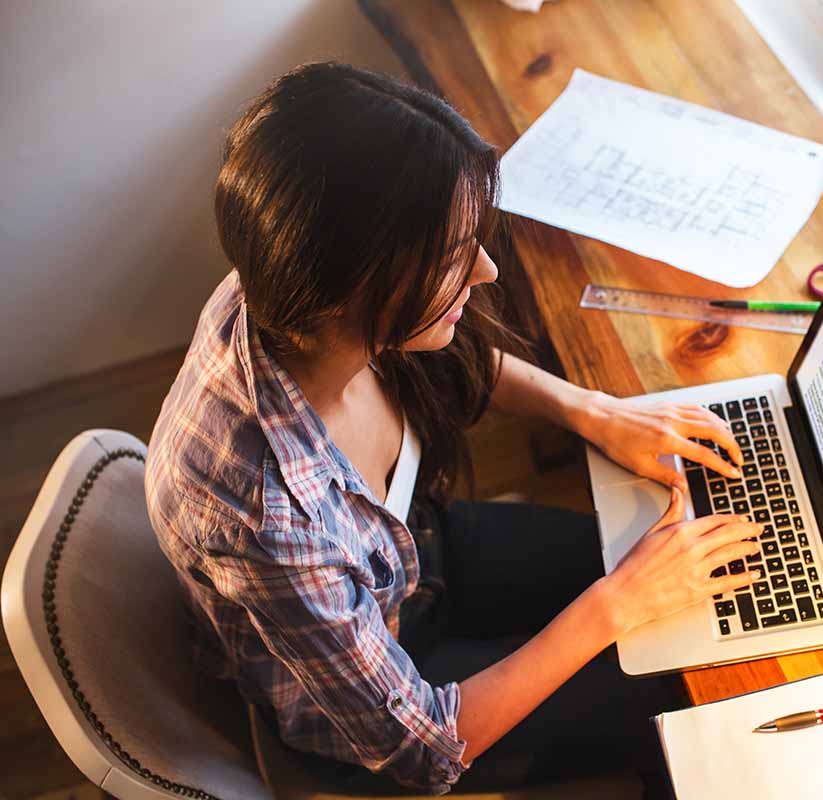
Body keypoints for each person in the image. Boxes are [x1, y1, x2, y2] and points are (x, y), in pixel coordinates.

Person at [144, 62, 762, 796]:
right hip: (389, 702)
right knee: (675, 691)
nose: (490, 272)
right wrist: (621, 603)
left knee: (682, 587)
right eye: (451, 258)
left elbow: (454, 352)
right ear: (352, 287)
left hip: (417, 552)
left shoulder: (287, 291)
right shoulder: (267, 520)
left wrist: (598, 413)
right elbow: (424, 748)